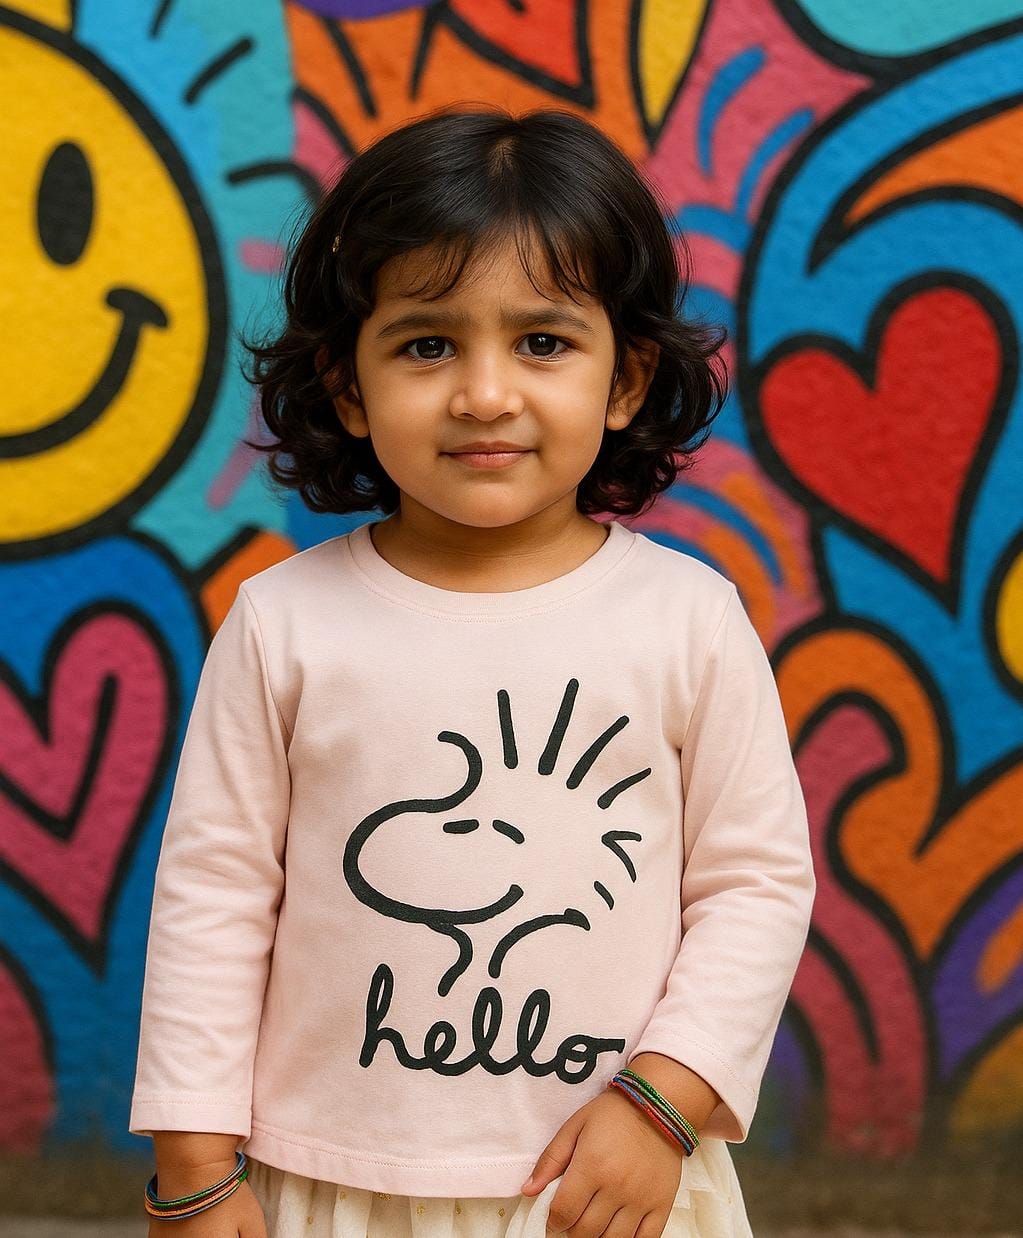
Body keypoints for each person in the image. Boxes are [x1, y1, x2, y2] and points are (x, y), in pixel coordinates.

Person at [129, 105, 816, 1238]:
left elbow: (754, 885)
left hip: (609, 1183)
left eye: (543, 341)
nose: (484, 393)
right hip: (332, 1182)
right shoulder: (282, 623)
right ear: (349, 386)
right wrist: (195, 1167)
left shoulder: (689, 619)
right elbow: (213, 895)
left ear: (627, 378)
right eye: (426, 343)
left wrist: (664, 1101)